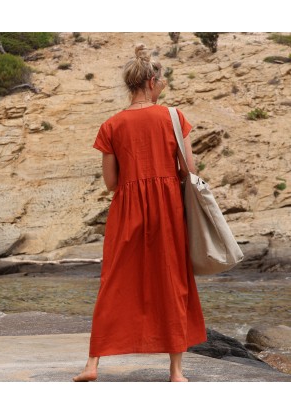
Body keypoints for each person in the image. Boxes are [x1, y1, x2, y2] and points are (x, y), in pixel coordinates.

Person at [73, 43, 207, 382]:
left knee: (114, 281)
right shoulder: (173, 117)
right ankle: (176, 372)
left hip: (127, 208)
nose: (163, 83)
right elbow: (187, 170)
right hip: (167, 208)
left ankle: (92, 365)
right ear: (152, 81)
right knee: (172, 281)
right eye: (160, 79)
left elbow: (110, 182)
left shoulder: (111, 125)